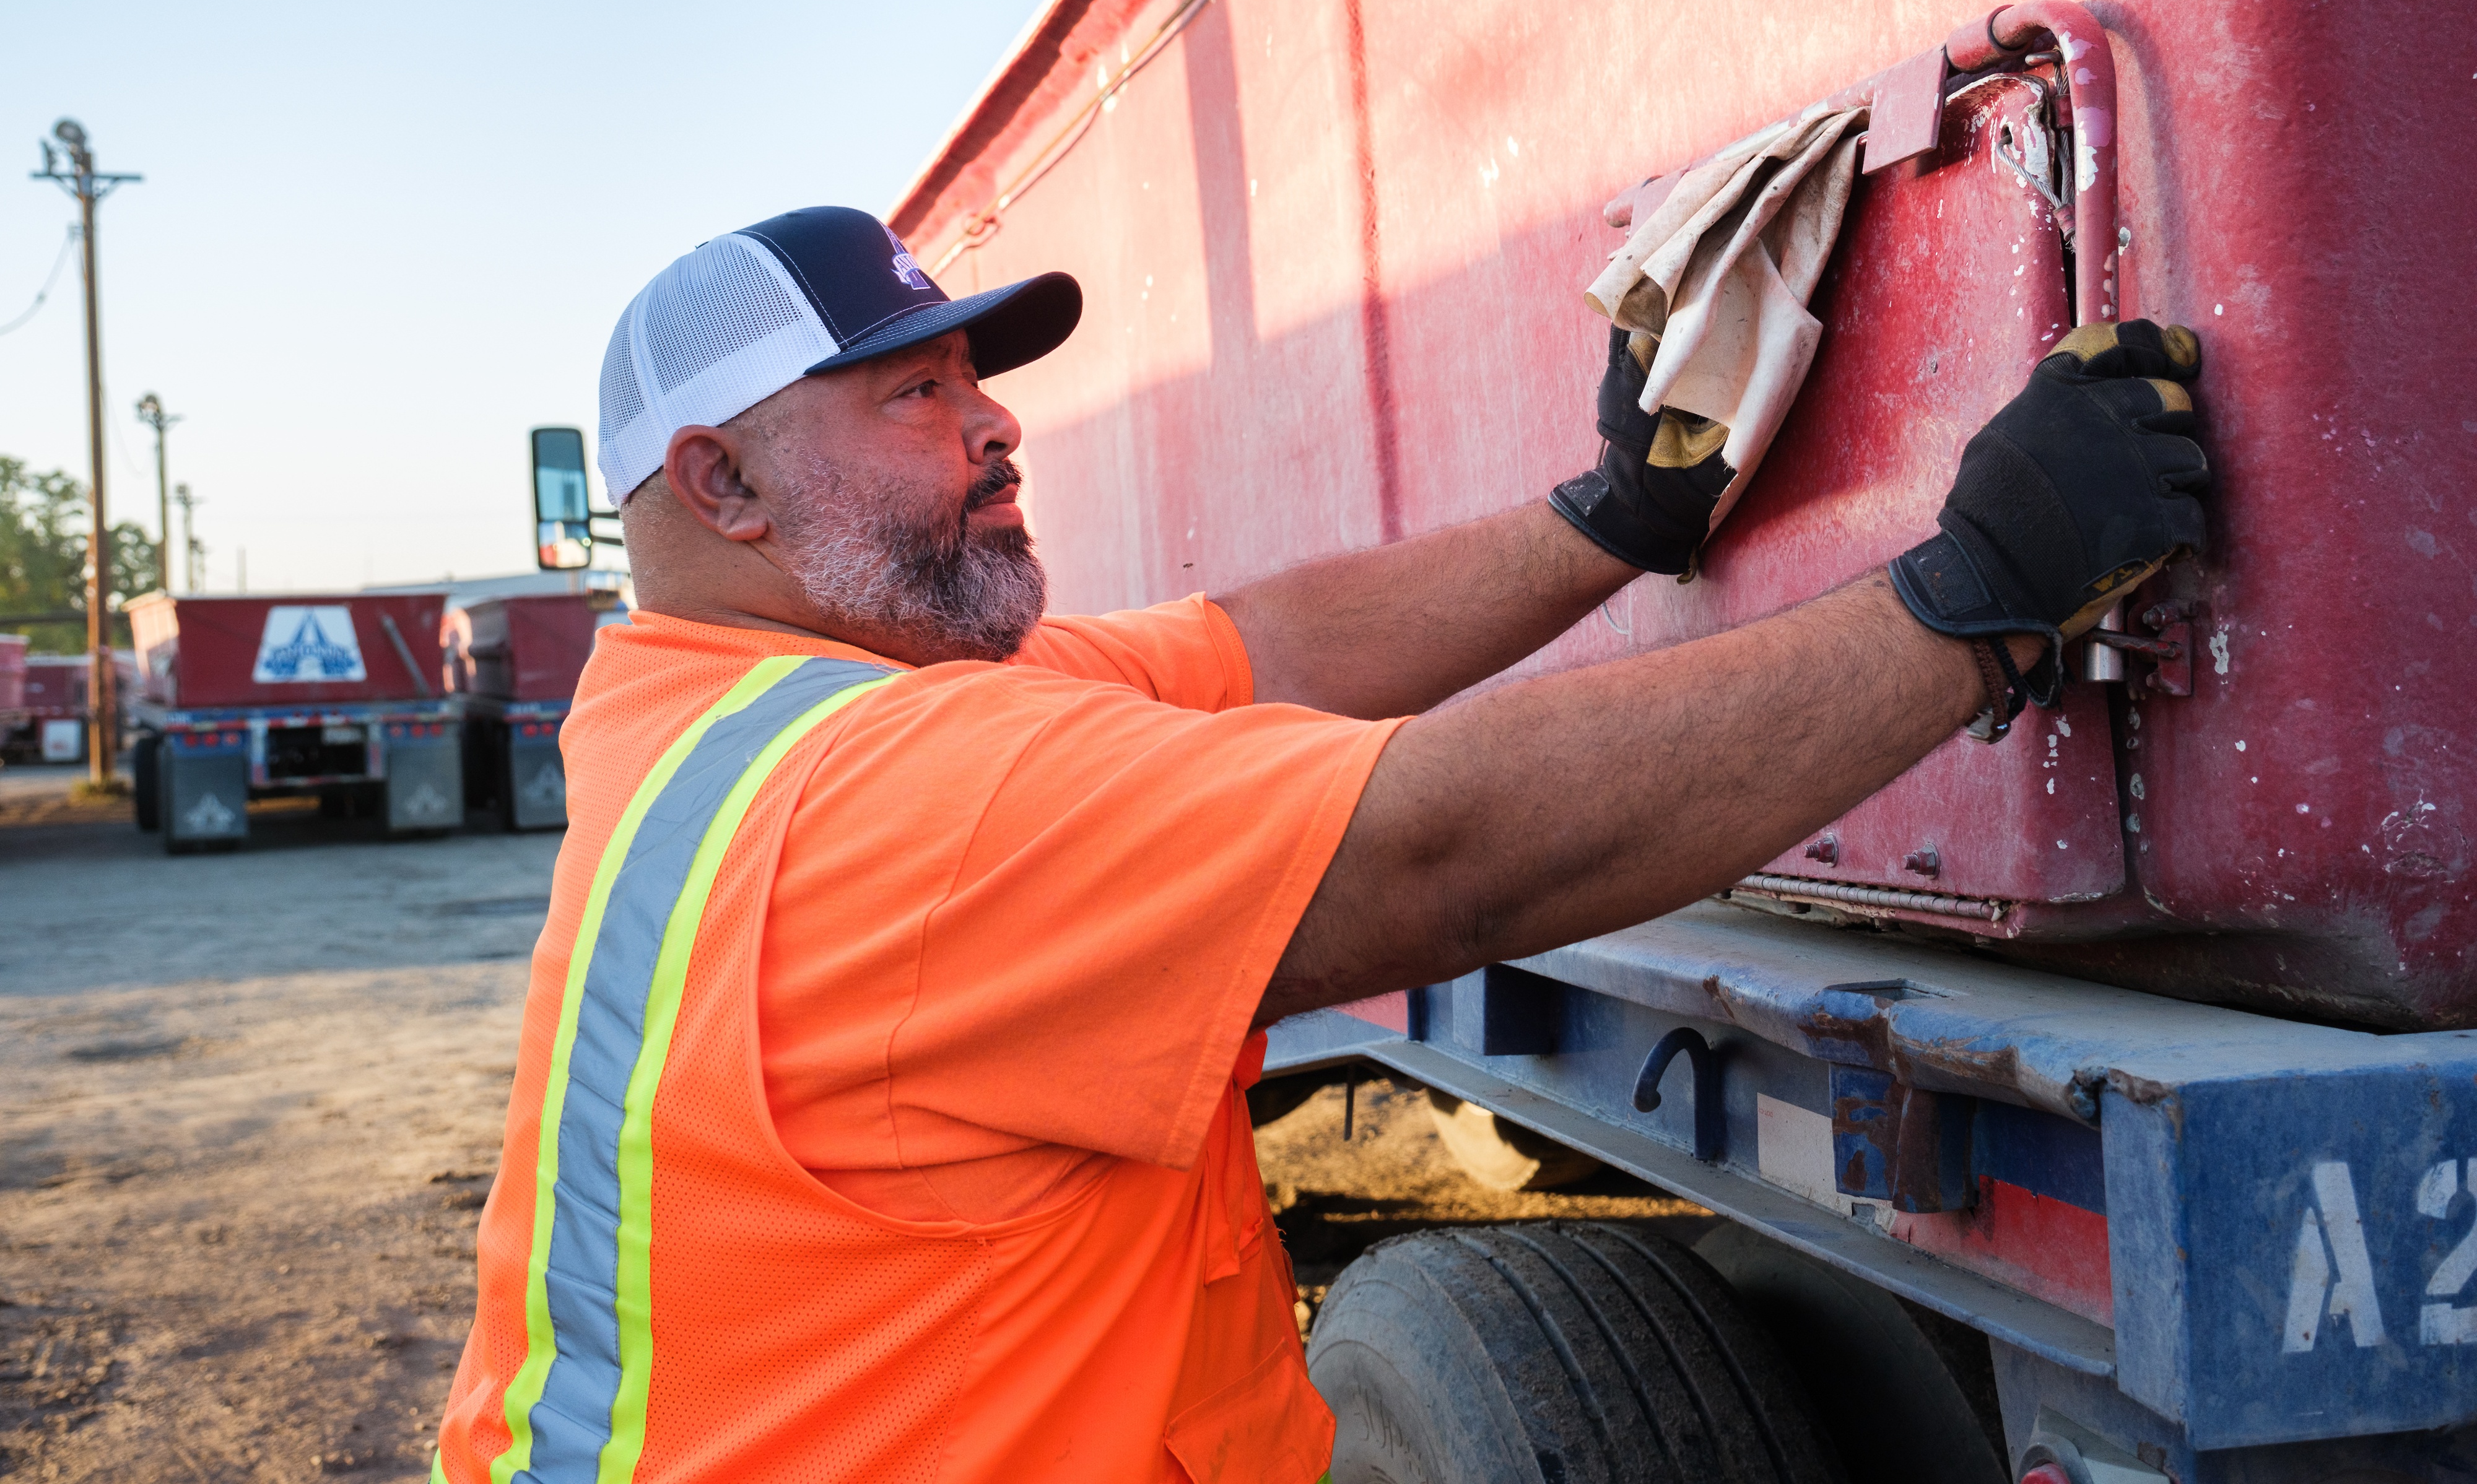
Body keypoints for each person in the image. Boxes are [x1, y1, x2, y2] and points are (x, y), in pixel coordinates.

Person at [432, 206, 2206, 1484]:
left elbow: (1266, 650)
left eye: (972, 372)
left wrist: (1608, 522)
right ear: (722, 488)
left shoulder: (711, 716)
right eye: (912, 396)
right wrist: (1973, 601)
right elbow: (1433, 852)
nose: (995, 417)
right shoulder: (887, 798)